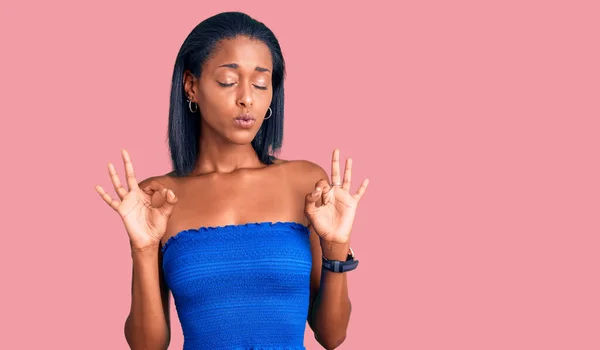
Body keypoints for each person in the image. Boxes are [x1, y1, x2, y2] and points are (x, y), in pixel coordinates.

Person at [95, 11, 369, 350]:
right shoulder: (158, 198)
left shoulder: (306, 183)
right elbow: (147, 346)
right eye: (228, 81)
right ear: (191, 86)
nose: (247, 98)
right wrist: (144, 248)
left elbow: (332, 335)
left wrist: (336, 247)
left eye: (260, 84)